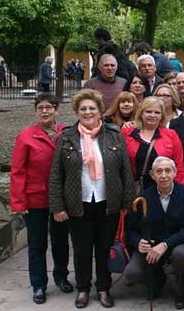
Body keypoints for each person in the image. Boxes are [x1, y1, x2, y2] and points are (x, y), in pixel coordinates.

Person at [49, 89, 136, 308]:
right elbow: (56, 174)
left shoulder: (114, 134)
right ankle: (83, 289)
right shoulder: (67, 137)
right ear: (77, 112)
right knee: (82, 249)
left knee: (105, 248)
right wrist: (57, 206)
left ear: (99, 111)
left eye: (92, 108)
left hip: (109, 203)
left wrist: (127, 203)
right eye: (83, 109)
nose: (88, 112)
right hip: (78, 203)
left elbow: (126, 171)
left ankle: (104, 288)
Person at [10, 94, 72, 304]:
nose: (44, 111)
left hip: (61, 200)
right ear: (36, 111)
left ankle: (61, 277)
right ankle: (38, 284)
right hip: (35, 198)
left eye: (49, 107)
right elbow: (17, 171)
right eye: (40, 108)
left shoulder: (66, 133)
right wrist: (18, 202)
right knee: (37, 244)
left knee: (61, 240)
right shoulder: (26, 136)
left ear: (56, 110)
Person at [122, 156, 184, 309]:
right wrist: (138, 242)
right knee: (131, 273)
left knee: (180, 255)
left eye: (168, 170)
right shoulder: (143, 197)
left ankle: (181, 289)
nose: (163, 175)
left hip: (177, 244)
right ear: (152, 175)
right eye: (159, 171)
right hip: (152, 245)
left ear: (175, 173)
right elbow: (131, 230)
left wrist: (165, 244)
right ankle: (158, 277)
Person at [122, 97, 184, 191]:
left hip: (164, 189)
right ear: (141, 113)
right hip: (136, 189)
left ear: (162, 116)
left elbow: (179, 165)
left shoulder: (171, 135)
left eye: (157, 112)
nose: (153, 115)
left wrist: (178, 191)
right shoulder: (127, 133)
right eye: (148, 111)